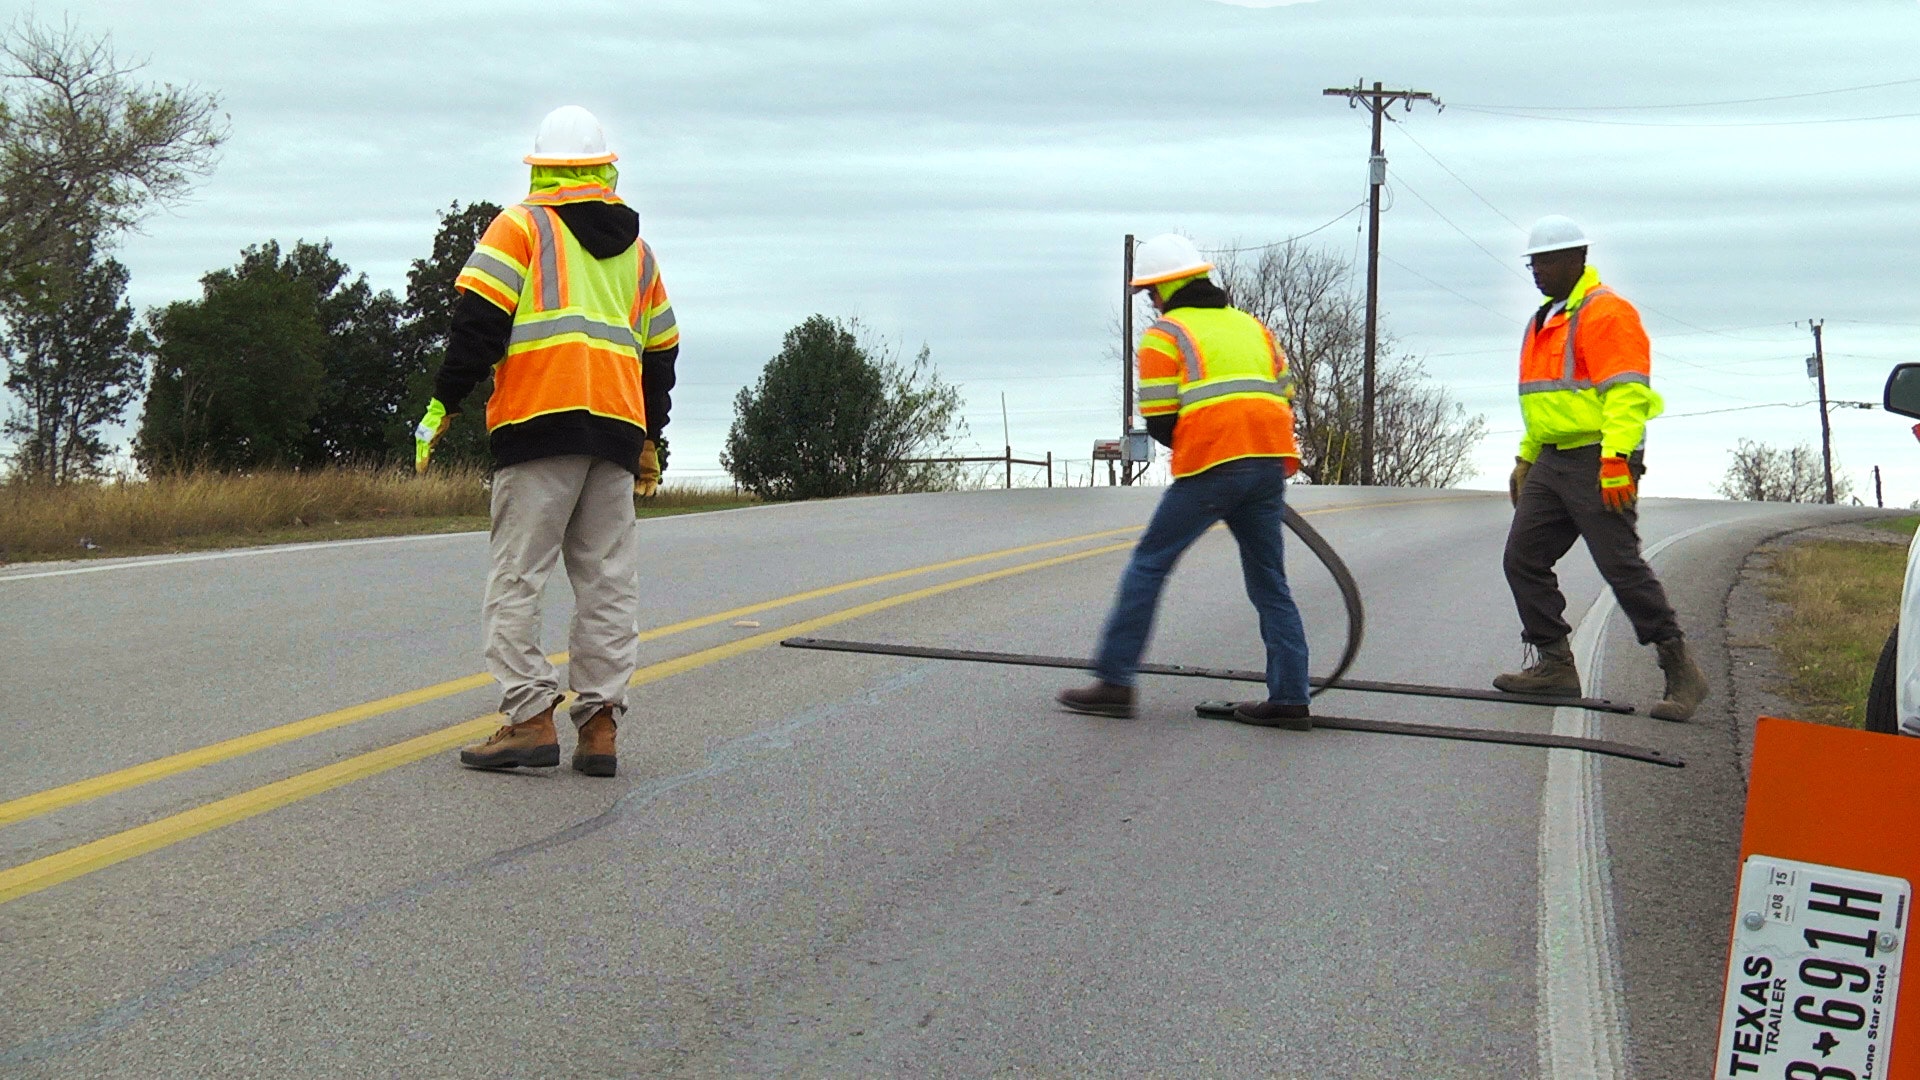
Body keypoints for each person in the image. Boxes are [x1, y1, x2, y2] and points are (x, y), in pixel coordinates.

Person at [413, 105, 681, 776]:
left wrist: (443, 402)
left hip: (538, 423)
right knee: (608, 583)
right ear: (603, 168)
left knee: (517, 577)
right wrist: (651, 434)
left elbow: (478, 321)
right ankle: (599, 730)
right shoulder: (639, 253)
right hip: (616, 433)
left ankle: (530, 718)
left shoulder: (520, 226)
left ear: (541, 167)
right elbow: (662, 349)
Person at [1057, 234, 1312, 728]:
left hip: (1214, 466)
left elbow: (1157, 419)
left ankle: (1115, 681)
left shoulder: (1166, 335)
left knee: (1148, 564)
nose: (1151, 302)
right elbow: (1285, 394)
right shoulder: (1253, 328)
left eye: (1152, 291)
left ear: (1172, 286)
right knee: (1269, 581)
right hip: (1267, 462)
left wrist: (1212, 448)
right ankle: (1290, 697)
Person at [1495, 215, 1707, 721]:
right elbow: (1542, 401)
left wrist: (1617, 459)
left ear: (1578, 259)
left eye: (1546, 262)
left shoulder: (1607, 313)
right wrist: (1526, 456)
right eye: (1533, 263)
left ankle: (1680, 668)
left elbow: (1628, 395)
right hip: (1552, 458)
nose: (1537, 272)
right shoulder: (1544, 320)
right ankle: (1554, 665)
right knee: (1522, 558)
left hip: (1598, 458)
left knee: (1619, 565)